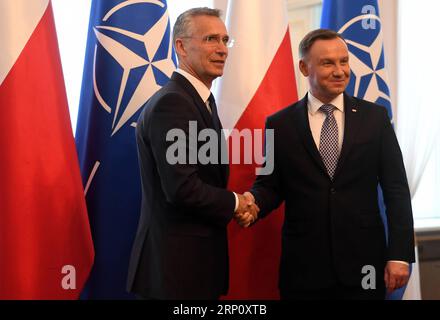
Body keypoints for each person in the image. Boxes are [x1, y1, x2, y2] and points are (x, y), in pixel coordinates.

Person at [243, 29, 415, 300]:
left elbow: (396, 190)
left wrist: (400, 255)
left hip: (365, 264)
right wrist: (251, 204)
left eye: (344, 61)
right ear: (303, 67)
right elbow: (270, 185)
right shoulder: (280, 124)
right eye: (328, 63)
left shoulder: (375, 118)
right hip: (304, 268)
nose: (340, 71)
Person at [126, 7, 258, 300]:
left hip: (191, 267)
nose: (222, 49)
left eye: (226, 41)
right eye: (212, 39)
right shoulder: (174, 103)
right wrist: (237, 202)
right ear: (181, 47)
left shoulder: (198, 100)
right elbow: (182, 188)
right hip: (176, 271)